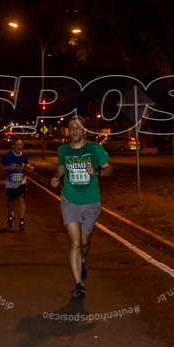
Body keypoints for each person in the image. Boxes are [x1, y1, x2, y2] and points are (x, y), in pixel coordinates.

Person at [50, 116, 112, 299]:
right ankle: (79, 284)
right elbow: (61, 167)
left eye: (78, 127)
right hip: (70, 201)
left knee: (84, 243)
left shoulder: (95, 148)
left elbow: (109, 169)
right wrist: (56, 178)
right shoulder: (63, 150)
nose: (74, 130)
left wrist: (97, 171)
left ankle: (82, 260)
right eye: (71, 127)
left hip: (91, 203)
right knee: (75, 243)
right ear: (68, 131)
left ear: (84, 130)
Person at [0, 138, 33, 231]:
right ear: (13, 146)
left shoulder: (24, 156)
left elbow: (25, 164)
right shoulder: (8, 156)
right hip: (11, 183)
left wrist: (29, 167)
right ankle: (10, 215)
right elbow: (0, 167)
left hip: (22, 181)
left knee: (22, 200)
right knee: (10, 203)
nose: (19, 147)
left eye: (20, 144)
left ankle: (21, 222)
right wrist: (8, 167)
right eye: (17, 145)